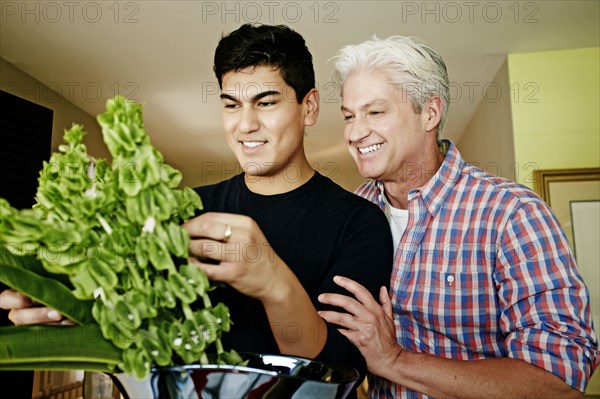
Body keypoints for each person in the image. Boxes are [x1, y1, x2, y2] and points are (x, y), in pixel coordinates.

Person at [0, 24, 393, 396]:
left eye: (266, 102)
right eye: (231, 104)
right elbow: (138, 335)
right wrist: (70, 311)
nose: (245, 125)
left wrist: (273, 281)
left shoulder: (360, 222)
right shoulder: (184, 210)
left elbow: (333, 374)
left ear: (309, 107)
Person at [317, 35, 599, 398]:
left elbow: (558, 382)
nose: (355, 133)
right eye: (349, 116)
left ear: (430, 113)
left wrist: (394, 359)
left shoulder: (512, 213)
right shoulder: (352, 213)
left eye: (375, 112)